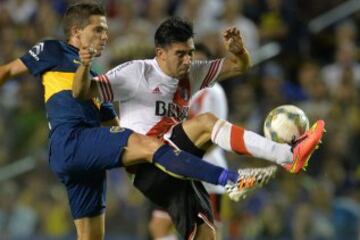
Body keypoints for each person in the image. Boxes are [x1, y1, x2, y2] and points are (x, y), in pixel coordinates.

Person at [0, 4, 276, 240]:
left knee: (92, 236)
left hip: (85, 157)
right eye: (98, 29)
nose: (105, 35)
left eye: (106, 29)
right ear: (76, 32)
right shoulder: (53, 50)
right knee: (148, 144)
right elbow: (8, 70)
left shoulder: (99, 84)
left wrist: (142, 167)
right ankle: (229, 179)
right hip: (71, 140)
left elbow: (114, 128)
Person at [73, 17, 325, 239]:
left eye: (191, 53)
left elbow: (240, 66)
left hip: (181, 168)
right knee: (205, 123)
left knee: (205, 234)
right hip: (149, 164)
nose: (188, 60)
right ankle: (288, 155)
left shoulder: (193, 73)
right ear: (160, 53)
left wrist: (240, 51)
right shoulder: (136, 73)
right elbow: (82, 91)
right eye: (180, 54)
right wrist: (84, 65)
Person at [148, 43, 230, 240]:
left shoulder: (213, 91)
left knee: (207, 233)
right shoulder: (179, 90)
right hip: (179, 167)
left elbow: (213, 137)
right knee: (159, 227)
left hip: (206, 168)